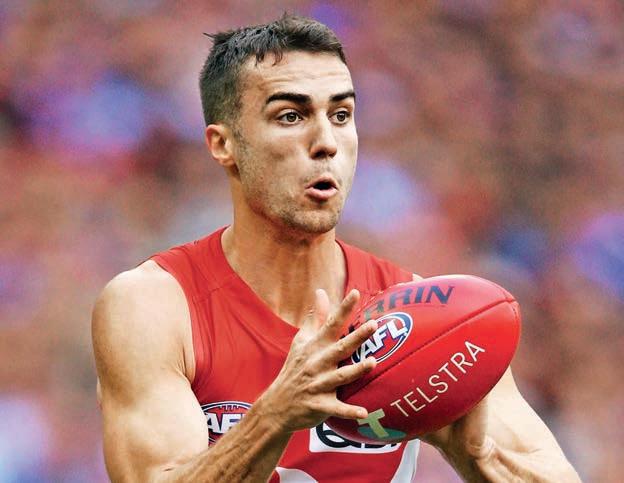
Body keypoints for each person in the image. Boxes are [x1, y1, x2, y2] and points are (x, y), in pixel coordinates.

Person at [92, 14, 580, 482]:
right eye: (290, 116)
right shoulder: (154, 307)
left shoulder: (423, 316)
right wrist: (272, 418)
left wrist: (474, 457)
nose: (326, 141)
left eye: (341, 115)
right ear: (224, 145)